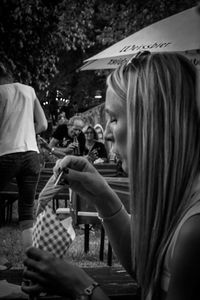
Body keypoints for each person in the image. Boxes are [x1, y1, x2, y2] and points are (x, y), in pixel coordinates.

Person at [22, 52, 200, 300]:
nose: (105, 134)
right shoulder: (180, 201)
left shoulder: (194, 230)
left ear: (154, 125)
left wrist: (83, 288)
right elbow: (147, 270)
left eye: (114, 119)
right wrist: (101, 194)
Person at [0, 63, 47, 269]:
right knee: (27, 211)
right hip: (31, 155)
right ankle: (32, 264)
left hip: (5, 154)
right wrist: (27, 132)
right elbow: (43, 125)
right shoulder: (29, 90)